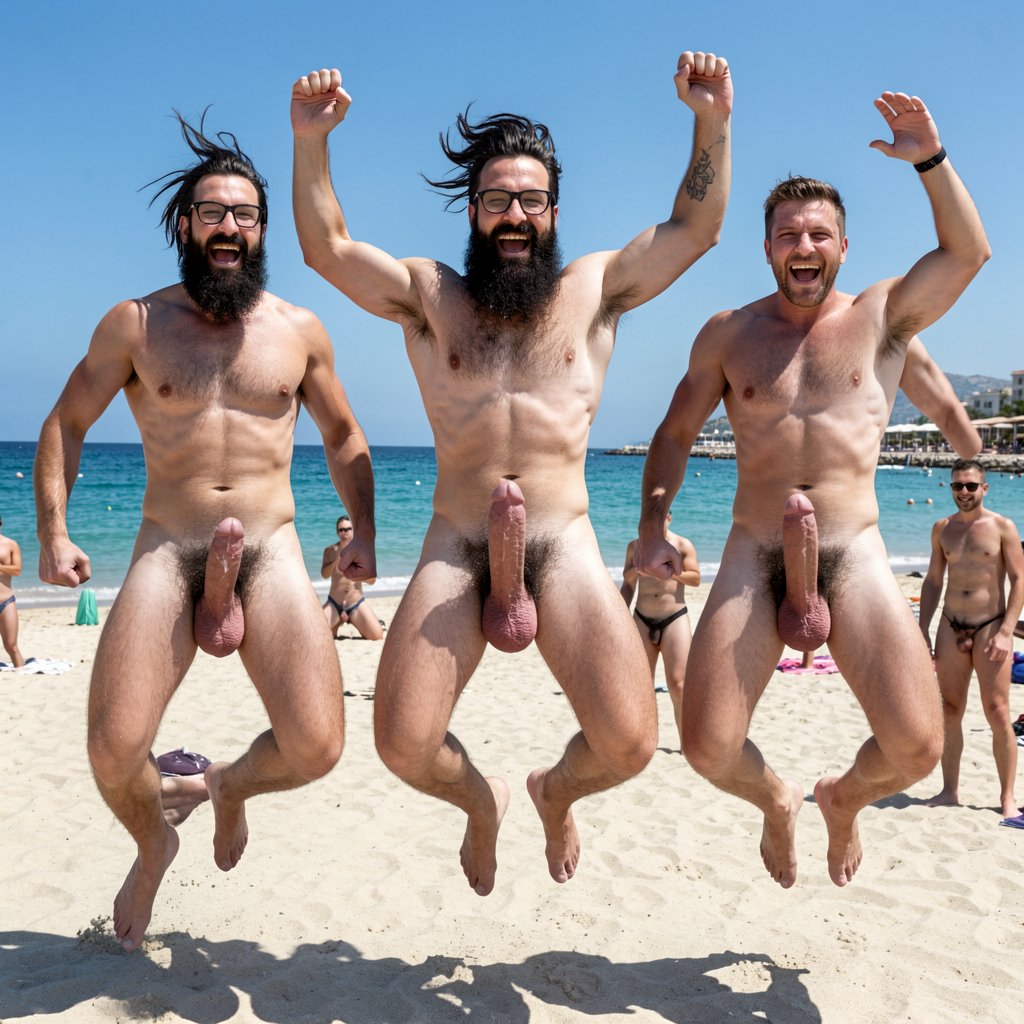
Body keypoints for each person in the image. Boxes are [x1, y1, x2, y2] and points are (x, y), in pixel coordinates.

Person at [291, 51, 732, 895]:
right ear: (473, 210)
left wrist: (710, 119)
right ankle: (482, 804)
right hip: (458, 543)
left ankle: (552, 793)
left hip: (561, 543)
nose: (515, 215)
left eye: (531, 200)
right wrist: (311, 142)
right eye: (498, 200)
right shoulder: (428, 294)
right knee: (403, 743)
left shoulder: (594, 287)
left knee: (629, 743)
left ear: (554, 211)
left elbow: (695, 230)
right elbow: (327, 247)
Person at [34, 115, 375, 951]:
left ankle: (224, 785)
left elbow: (342, 437)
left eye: (246, 215)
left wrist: (364, 527)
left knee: (317, 745)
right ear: (184, 225)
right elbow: (65, 423)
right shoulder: (136, 325)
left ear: (262, 230)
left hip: (270, 549)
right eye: (213, 214)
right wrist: (55, 530)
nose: (230, 228)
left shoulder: (299, 330)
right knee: (115, 753)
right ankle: (155, 841)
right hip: (167, 547)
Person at [636, 90, 990, 889]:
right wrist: (655, 524)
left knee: (915, 745)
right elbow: (671, 435)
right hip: (754, 550)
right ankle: (778, 801)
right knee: (708, 746)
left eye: (819, 234)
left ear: (842, 245)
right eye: (789, 234)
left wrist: (930, 159)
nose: (804, 245)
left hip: (853, 552)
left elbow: (968, 254)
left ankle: (842, 800)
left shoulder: (883, 317)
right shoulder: (728, 333)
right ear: (766, 248)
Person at [918, 460, 1023, 818]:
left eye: (971, 486)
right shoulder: (942, 529)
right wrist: (923, 627)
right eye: (957, 486)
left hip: (990, 627)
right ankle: (949, 790)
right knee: (949, 711)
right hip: (950, 626)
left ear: (984, 488)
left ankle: (1007, 797)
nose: (964, 492)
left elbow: (1019, 579)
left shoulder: (1002, 527)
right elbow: (933, 581)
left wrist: (1008, 631)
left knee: (998, 712)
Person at [620, 513, 699, 745]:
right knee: (643, 684)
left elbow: (696, 578)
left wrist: (668, 569)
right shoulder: (635, 547)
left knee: (679, 684)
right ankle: (644, 742)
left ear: (669, 518)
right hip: (642, 617)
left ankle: (687, 742)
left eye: (659, 518)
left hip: (674, 618)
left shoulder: (682, 545)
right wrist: (618, 613)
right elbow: (628, 583)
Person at [322, 514, 383, 640]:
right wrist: (337, 559)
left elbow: (372, 581)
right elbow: (325, 575)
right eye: (342, 530)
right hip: (334, 603)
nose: (345, 533)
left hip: (356, 603)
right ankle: (336, 623)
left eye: (348, 529)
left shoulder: (363, 550)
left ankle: (353, 620)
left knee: (376, 635)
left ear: (354, 530)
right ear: (337, 532)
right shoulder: (330, 551)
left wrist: (358, 573)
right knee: (320, 635)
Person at [0, 514, 25, 667]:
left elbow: (17, 570)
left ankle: (22, 674)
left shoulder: (10, 544)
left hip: (6, 601)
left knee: (11, 646)